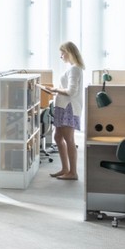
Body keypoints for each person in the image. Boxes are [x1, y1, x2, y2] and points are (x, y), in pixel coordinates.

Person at [39, 41, 85, 181]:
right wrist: (54, 92)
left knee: (68, 139)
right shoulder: (73, 68)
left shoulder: (75, 69)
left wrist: (54, 90)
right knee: (58, 137)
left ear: (68, 52)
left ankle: (73, 172)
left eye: (62, 53)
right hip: (63, 106)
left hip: (68, 108)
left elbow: (71, 91)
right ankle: (65, 169)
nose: (61, 56)